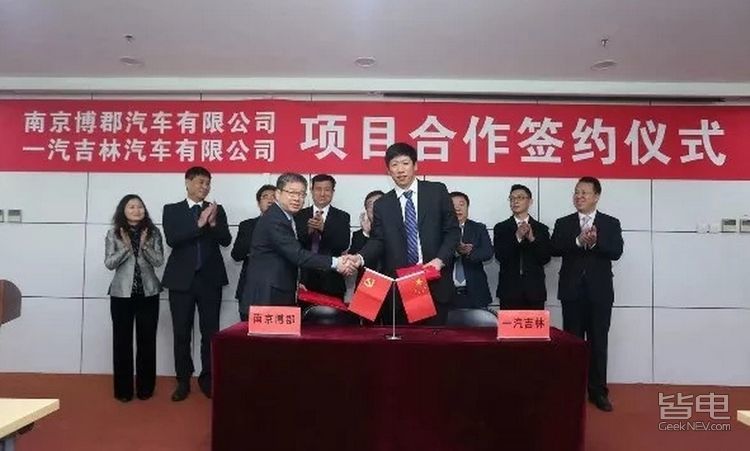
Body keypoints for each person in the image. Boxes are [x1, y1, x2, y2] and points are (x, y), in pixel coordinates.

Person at [353, 142, 460, 325]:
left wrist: (439, 260)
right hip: (400, 286)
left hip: (434, 281)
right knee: (405, 340)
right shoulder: (383, 204)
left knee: (435, 339)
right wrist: (359, 257)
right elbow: (378, 240)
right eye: (394, 165)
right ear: (388, 171)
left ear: (415, 165)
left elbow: (452, 231)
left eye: (405, 163)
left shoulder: (437, 192)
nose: (400, 170)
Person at [551, 176, 624, 412]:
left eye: (584, 192)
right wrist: (577, 240)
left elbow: (616, 251)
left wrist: (594, 243)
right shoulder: (564, 223)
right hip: (571, 292)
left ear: (596, 196)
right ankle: (572, 391)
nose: (579, 196)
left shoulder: (610, 223)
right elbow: (554, 248)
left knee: (598, 342)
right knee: (572, 343)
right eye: (576, 192)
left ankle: (598, 392)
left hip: (599, 293)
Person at [162, 166, 232, 401]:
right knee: (181, 332)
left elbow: (226, 240)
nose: (205, 187)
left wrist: (212, 223)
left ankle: (208, 379)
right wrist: (199, 224)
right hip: (181, 281)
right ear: (187, 182)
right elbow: (172, 239)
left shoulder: (217, 210)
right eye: (200, 182)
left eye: (208, 183)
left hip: (210, 280)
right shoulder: (172, 210)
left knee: (210, 332)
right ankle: (183, 380)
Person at [240, 172, 356, 307]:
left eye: (301, 194)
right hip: (268, 294)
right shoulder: (275, 220)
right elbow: (297, 254)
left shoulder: (285, 217)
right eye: (292, 193)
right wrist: (337, 262)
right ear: (278, 194)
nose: (297, 198)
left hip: (280, 289)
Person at [104, 194, 164, 403]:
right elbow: (109, 263)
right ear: (123, 210)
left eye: (140, 207)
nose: (137, 210)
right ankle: (123, 391)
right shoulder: (114, 233)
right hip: (121, 294)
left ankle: (146, 388)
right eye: (131, 207)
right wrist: (126, 247)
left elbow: (159, 261)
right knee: (122, 343)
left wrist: (145, 245)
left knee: (147, 342)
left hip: (149, 293)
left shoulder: (153, 232)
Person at [493, 184, 552, 310]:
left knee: (534, 323)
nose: (515, 201)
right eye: (512, 198)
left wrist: (532, 239)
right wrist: (518, 237)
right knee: (509, 324)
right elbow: (500, 256)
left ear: (530, 201)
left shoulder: (541, 228)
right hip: (509, 291)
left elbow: (545, 258)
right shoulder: (501, 228)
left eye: (520, 197)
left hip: (535, 291)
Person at [294, 174, 351, 299]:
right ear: (311, 191)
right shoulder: (298, 215)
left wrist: (324, 229)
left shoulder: (342, 217)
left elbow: (343, 244)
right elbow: (293, 245)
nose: (322, 193)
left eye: (327, 190)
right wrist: (308, 231)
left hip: (331, 280)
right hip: (304, 279)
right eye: (318, 189)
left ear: (333, 192)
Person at [231, 184, 276, 321]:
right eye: (265, 197)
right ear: (258, 203)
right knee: (247, 330)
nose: (270, 200)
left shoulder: (288, 225)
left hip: (277, 288)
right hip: (250, 288)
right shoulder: (247, 225)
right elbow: (236, 255)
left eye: (274, 197)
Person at [449, 192, 493, 310]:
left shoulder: (479, 228)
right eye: (453, 205)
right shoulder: (440, 230)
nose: (457, 208)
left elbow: (488, 252)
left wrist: (468, 252)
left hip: (476, 292)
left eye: (461, 204)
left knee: (478, 322)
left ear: (467, 207)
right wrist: (456, 251)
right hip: (447, 293)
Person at [349, 190, 384, 256]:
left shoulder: (397, 229)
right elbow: (353, 258)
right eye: (370, 205)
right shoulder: (359, 235)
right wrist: (366, 233)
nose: (374, 208)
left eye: (378, 203)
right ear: (366, 211)